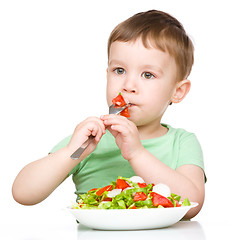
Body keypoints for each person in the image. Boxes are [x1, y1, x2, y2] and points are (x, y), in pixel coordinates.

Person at [12, 10, 205, 219]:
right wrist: (73, 152)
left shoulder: (182, 142)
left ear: (177, 91)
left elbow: (192, 204)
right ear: (107, 75)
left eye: (148, 75)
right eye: (119, 70)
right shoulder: (89, 140)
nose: (128, 85)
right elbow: (22, 193)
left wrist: (137, 154)